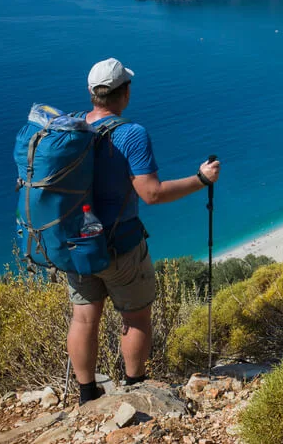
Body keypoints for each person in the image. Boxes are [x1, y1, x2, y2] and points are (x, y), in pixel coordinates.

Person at [67, 57, 220, 404]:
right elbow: (151, 193)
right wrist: (201, 179)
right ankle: (136, 389)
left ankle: (86, 395)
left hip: (75, 245)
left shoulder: (71, 130)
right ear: (125, 93)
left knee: (83, 319)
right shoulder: (130, 134)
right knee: (135, 319)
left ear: (92, 94)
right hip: (120, 244)